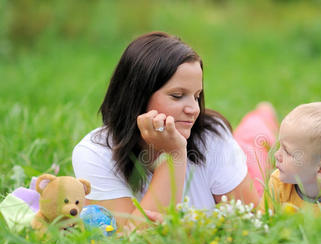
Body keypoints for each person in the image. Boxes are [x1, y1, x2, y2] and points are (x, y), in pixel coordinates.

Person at [72, 32, 259, 228]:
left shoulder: (212, 137)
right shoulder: (94, 153)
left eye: (196, 96)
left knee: (255, 137)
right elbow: (130, 242)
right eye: (177, 95)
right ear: (137, 97)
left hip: (243, 161)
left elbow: (255, 222)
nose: (194, 109)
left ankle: (262, 113)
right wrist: (174, 154)